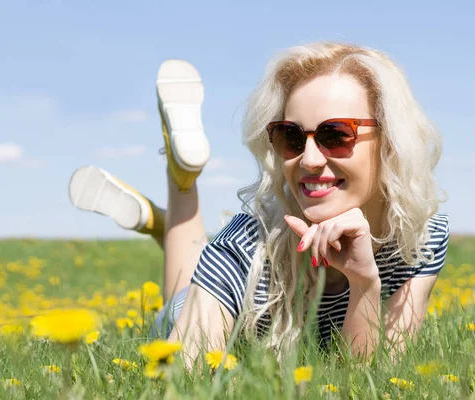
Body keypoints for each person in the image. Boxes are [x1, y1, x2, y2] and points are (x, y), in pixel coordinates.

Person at [69, 41, 449, 366]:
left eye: (335, 134)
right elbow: (183, 382)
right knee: (180, 291)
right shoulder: (247, 244)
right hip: (193, 303)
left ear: (391, 141)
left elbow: (376, 376)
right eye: (291, 137)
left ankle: (162, 224)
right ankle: (180, 179)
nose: (310, 159)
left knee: (187, 252)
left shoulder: (419, 236)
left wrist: (364, 282)